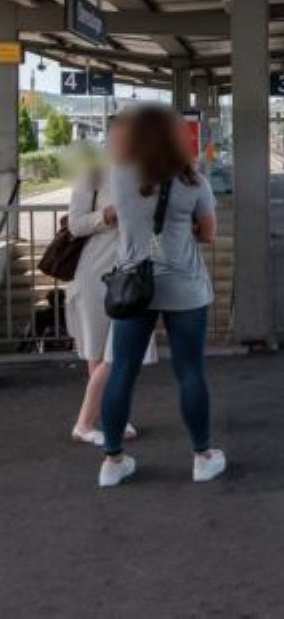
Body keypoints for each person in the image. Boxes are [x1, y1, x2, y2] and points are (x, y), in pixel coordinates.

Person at [98, 105, 224, 489]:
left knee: (122, 370)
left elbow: (119, 215)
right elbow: (209, 234)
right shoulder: (194, 181)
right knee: (190, 372)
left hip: (133, 286)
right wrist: (181, 226)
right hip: (184, 287)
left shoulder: (120, 174)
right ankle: (202, 457)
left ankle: (113, 462)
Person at [67, 119, 153, 445]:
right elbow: (75, 224)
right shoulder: (93, 173)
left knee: (116, 350)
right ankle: (96, 420)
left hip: (128, 269)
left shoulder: (142, 172)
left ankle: (110, 416)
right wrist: (106, 215)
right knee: (99, 348)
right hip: (95, 269)